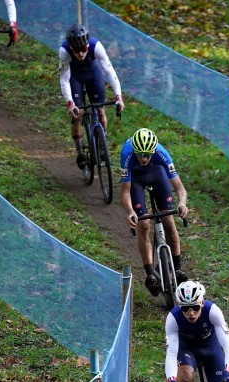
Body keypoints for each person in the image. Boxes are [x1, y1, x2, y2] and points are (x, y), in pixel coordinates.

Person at [119, 127, 188, 295]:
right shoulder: (126, 154)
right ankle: (150, 273)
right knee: (143, 224)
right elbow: (125, 191)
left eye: (147, 154)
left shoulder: (161, 153)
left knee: (169, 222)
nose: (143, 158)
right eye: (140, 154)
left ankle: (177, 269)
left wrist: (182, 203)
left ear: (153, 151)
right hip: (136, 178)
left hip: (157, 174)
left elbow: (180, 187)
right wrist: (130, 212)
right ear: (134, 150)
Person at [59, 24, 124, 170]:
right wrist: (70, 103)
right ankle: (80, 152)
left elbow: (109, 71)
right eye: (77, 50)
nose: (81, 54)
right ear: (71, 48)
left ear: (88, 46)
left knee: (100, 111)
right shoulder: (64, 51)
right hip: (74, 77)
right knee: (78, 115)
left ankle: (102, 147)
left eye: (83, 50)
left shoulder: (96, 46)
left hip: (93, 74)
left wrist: (118, 97)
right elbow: (64, 78)